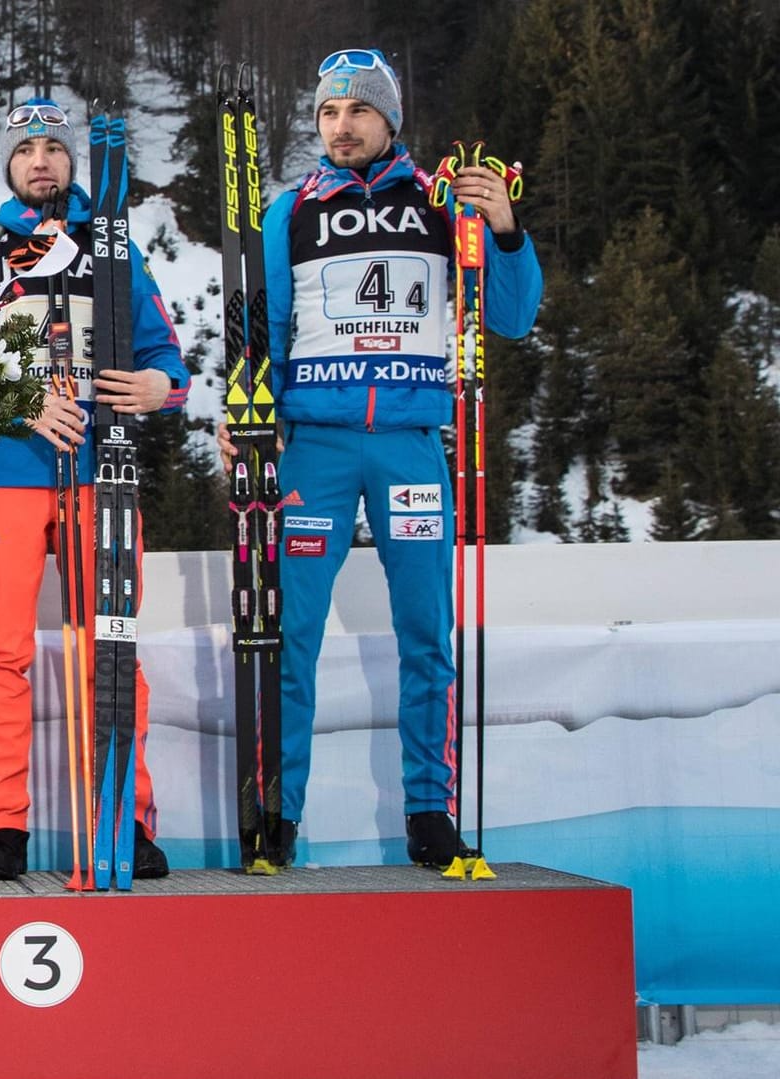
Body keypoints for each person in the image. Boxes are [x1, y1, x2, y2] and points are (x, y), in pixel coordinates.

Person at [219, 49, 543, 867]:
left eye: (357, 111)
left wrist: (502, 228)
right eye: (329, 113)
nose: (341, 126)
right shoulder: (290, 208)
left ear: (389, 120)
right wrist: (244, 415)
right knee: (287, 633)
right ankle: (277, 818)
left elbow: (509, 318)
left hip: (408, 445)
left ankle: (429, 813)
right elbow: (263, 329)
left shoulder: (443, 204)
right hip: (315, 447)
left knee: (426, 632)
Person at [0, 98, 188, 880]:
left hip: (98, 478)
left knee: (108, 651)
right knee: (2, 653)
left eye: (54, 147)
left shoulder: (112, 247)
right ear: (6, 165)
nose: (41, 159)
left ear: (75, 162)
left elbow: (166, 358)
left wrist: (156, 385)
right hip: (8, 474)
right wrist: (16, 400)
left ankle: (124, 818)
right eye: (26, 149)